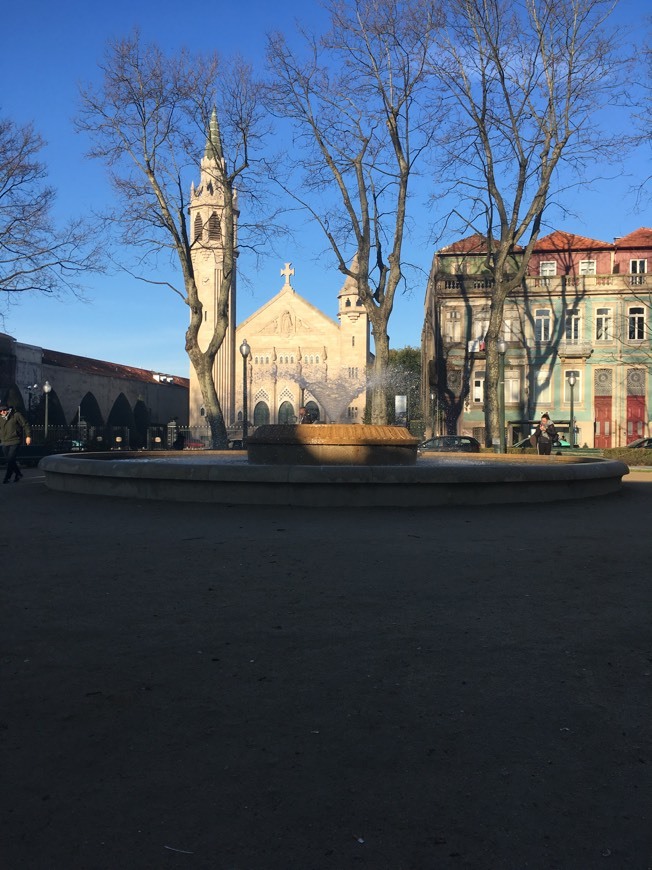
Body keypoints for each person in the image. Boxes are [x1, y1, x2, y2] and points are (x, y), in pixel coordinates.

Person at [0, 403, 32, 483]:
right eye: (0, 411)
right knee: (10, 460)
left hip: (15, 440)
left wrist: (28, 436)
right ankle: (18, 473)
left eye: (4, 410)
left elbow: (25, 424)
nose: (2, 412)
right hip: (4, 441)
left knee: (10, 459)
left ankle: (7, 477)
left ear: (8, 409)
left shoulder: (16, 415)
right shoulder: (0, 418)